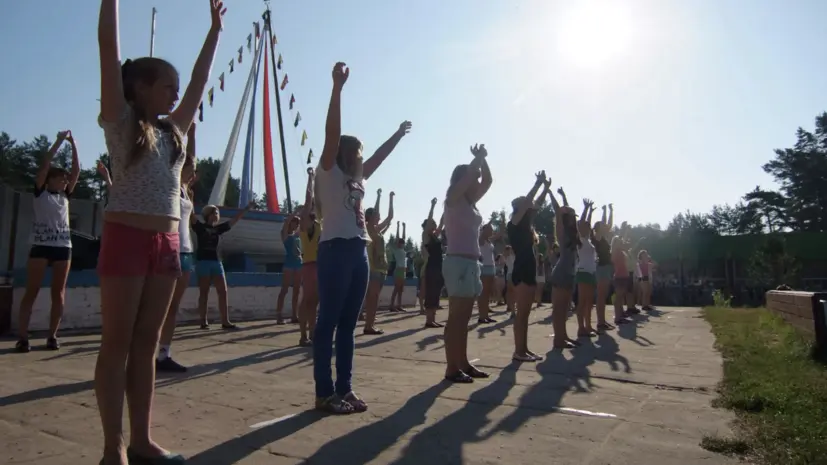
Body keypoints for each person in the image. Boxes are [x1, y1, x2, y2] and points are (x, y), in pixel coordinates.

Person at [95, 0, 223, 462]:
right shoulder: (121, 121)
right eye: (167, 87)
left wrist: (215, 31)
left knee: (147, 344)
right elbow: (108, 50)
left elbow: (200, 81)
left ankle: (142, 440)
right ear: (141, 88)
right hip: (126, 237)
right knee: (117, 344)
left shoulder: (176, 132)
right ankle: (113, 447)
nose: (175, 95)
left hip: (167, 244)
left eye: (175, 88)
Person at [313, 61, 412, 413]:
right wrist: (337, 89)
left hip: (359, 251)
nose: (361, 157)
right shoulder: (328, 171)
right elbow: (331, 134)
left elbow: (379, 158)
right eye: (357, 152)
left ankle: (345, 388)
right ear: (346, 153)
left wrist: (398, 135)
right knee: (328, 321)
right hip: (335, 249)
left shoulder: (359, 178)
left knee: (348, 325)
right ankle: (324, 393)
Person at [97, 129, 198, 373]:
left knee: (172, 307)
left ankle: (164, 353)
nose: (193, 170)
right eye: (189, 167)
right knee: (148, 309)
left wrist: (193, 134)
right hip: (167, 247)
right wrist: (108, 178)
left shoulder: (187, 192)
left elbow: (191, 157)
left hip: (185, 250)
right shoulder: (167, 185)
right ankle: (137, 353)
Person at [16, 130, 80, 353]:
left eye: (65, 179)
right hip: (41, 245)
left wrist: (74, 144)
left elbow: (76, 171)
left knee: (58, 292)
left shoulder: (65, 196)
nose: (64, 181)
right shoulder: (40, 192)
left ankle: (52, 336)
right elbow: (44, 164)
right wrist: (59, 141)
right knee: (32, 290)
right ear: (50, 180)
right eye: (60, 178)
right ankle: (23, 337)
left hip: (63, 247)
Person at [442, 143, 492, 383]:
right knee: (456, 319)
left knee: (464, 320)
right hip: (458, 263)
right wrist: (477, 160)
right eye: (473, 177)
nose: (477, 181)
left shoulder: (471, 202)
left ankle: (462, 363)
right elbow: (471, 177)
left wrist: (484, 159)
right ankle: (452, 368)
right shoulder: (453, 198)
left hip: (472, 264)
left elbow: (488, 181)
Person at [508, 173, 551, 361]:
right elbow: (529, 202)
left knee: (525, 314)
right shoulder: (514, 223)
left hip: (529, 267)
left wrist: (545, 189)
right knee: (522, 314)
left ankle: (524, 349)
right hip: (522, 268)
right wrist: (537, 183)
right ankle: (519, 351)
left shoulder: (526, 225)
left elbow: (536, 204)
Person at [194, 202, 253, 329]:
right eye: (214, 213)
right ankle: (203, 321)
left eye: (217, 213)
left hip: (216, 262)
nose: (216, 215)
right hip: (203, 262)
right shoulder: (200, 227)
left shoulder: (218, 229)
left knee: (223, 291)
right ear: (208, 215)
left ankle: (225, 321)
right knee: (204, 292)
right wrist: (189, 198)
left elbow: (234, 220)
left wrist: (246, 209)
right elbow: (191, 216)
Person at [548, 185, 579, 349]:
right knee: (559, 309)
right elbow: (558, 211)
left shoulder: (574, 235)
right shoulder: (562, 232)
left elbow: (565, 209)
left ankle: (564, 336)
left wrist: (564, 196)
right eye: (571, 216)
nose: (574, 218)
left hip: (570, 273)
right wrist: (550, 192)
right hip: (561, 273)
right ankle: (558, 340)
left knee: (565, 309)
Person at [363, 188, 394, 335]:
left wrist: (391, 199)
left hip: (381, 269)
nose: (379, 216)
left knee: (374, 299)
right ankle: (368, 326)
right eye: (376, 215)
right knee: (372, 298)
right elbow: (376, 212)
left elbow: (390, 217)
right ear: (370, 217)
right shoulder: (368, 229)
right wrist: (379, 196)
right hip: (374, 268)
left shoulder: (377, 230)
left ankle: (370, 324)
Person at [298, 168, 321, 346]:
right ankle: (303, 335)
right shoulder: (305, 224)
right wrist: (311, 179)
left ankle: (312, 332)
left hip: (320, 266)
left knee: (315, 301)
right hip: (309, 266)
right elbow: (308, 200)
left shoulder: (320, 224)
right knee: (307, 301)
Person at [574, 198, 599, 338]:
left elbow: (586, 223)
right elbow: (580, 223)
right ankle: (581, 328)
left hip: (591, 272)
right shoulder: (580, 240)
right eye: (585, 227)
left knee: (589, 302)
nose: (587, 228)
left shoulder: (588, 240)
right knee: (582, 302)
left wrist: (590, 211)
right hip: (583, 272)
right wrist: (585, 209)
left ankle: (588, 326)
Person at [276, 212, 302, 324]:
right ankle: (279, 315)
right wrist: (295, 212)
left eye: (297, 223)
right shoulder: (285, 234)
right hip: (289, 264)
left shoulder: (297, 235)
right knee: (285, 289)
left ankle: (294, 315)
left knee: (297, 290)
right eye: (294, 223)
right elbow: (286, 223)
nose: (295, 225)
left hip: (299, 263)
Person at [422, 208, 445, 328]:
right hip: (431, 266)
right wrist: (432, 206)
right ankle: (429, 320)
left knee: (436, 292)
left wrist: (446, 209)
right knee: (431, 292)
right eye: (432, 223)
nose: (435, 224)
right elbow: (430, 219)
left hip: (439, 266)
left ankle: (433, 319)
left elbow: (442, 223)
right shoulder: (426, 236)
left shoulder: (435, 236)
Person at [593, 204, 615, 331]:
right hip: (601, 267)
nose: (605, 226)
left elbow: (609, 224)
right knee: (601, 296)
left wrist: (610, 211)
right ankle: (600, 322)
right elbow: (604, 224)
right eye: (602, 225)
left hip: (606, 267)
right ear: (597, 228)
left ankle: (602, 320)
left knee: (603, 295)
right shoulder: (597, 237)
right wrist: (604, 211)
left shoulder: (603, 237)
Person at [477, 221, 503, 323]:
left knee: (488, 293)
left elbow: (499, 234)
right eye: (490, 229)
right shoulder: (481, 239)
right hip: (484, 267)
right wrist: (488, 224)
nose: (492, 231)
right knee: (483, 292)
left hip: (491, 267)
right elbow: (481, 233)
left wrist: (502, 222)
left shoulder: (489, 240)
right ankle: (481, 316)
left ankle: (486, 315)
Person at [388, 222, 408, 311]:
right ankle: (391, 305)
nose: (401, 243)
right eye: (400, 243)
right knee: (396, 288)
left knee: (400, 289)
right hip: (398, 270)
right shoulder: (396, 250)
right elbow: (397, 237)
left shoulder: (403, 250)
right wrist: (398, 226)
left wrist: (404, 227)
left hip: (403, 271)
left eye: (402, 243)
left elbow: (403, 237)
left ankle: (399, 305)